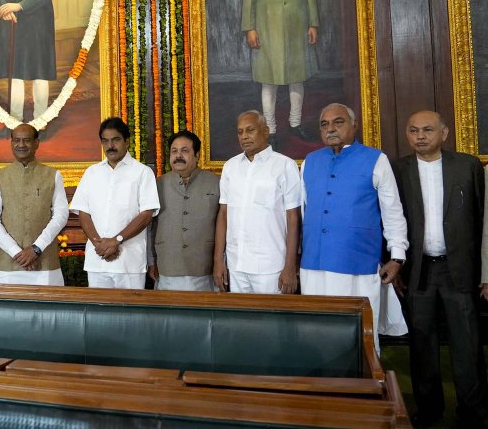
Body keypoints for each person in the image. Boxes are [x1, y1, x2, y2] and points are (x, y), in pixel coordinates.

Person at [391, 111, 488, 427]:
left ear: (444, 133)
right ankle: (429, 410)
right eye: (413, 130)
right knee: (422, 347)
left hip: (459, 269)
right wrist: (396, 268)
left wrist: (485, 272)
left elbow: (483, 220)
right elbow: (389, 219)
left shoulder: (468, 166)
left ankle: (472, 412)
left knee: (467, 345)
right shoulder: (399, 169)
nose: (420, 136)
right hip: (418, 272)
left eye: (428, 130)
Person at [300, 103, 408, 353]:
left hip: (356, 265)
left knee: (358, 339)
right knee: (316, 334)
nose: (330, 129)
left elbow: (392, 211)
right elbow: (304, 212)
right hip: (313, 266)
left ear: (354, 125)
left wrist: (397, 256)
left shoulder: (376, 159)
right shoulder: (310, 162)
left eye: (338, 122)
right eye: (324, 124)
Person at [241, 0, 319, 145]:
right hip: (267, 27)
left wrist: (313, 24)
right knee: (269, 79)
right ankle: (271, 129)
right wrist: (250, 28)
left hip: (297, 27)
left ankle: (295, 123)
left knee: (298, 78)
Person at [214, 111, 301, 294]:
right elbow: (223, 214)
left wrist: (290, 266)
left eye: (250, 130)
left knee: (272, 321)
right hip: (236, 263)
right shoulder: (230, 166)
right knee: (240, 319)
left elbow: (293, 219)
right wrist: (218, 261)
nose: (244, 136)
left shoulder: (285, 165)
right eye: (240, 132)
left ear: (266, 131)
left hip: (271, 265)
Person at [71, 117, 160, 289]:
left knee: (130, 314)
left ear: (127, 142)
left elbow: (146, 215)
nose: (110, 146)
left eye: (115, 140)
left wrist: (116, 241)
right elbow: (83, 212)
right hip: (97, 260)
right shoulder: (92, 173)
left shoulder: (142, 172)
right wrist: (99, 244)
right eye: (105, 141)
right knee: (98, 313)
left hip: (129, 261)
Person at [0, 124, 69, 285]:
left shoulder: (53, 175)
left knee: (48, 310)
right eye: (16, 140)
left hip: (45, 265)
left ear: (36, 143)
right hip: (7, 267)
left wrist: (36, 249)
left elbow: (61, 215)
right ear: (11, 143)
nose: (21, 145)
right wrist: (16, 252)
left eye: (26, 140)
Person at [148, 130, 219, 291]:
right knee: (169, 315)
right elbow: (149, 228)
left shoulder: (215, 182)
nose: (178, 155)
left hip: (204, 268)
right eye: (174, 151)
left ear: (197, 155)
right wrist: (151, 261)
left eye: (184, 151)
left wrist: (221, 262)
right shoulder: (157, 185)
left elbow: (225, 226)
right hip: (167, 267)